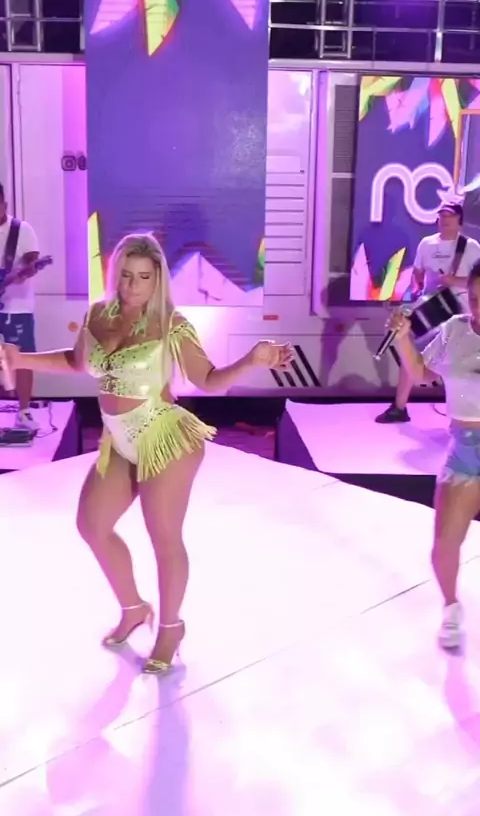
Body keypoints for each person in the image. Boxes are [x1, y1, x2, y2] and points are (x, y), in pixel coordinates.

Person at [0, 233, 293, 673]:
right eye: (125, 275)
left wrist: (252, 360)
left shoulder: (171, 324)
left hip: (164, 438)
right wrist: (21, 359)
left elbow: (209, 380)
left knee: (164, 538)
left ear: (158, 279)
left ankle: (171, 627)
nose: (132, 285)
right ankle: (134, 608)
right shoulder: (99, 314)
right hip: (118, 440)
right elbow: (77, 362)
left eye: (143, 277)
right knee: (92, 525)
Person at [386, 260, 480, 648]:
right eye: (475, 299)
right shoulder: (455, 329)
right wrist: (403, 339)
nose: (479, 308)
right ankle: (451, 608)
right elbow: (421, 372)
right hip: (465, 451)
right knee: (444, 544)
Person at [376, 202, 480, 424]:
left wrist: (454, 281)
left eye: (450, 216)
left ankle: (465, 413)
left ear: (459, 221)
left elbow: (475, 283)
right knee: (411, 352)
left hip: (459, 309)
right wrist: (416, 290)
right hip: (431, 308)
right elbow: (418, 274)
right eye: (442, 216)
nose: (445, 220)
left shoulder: (471, 247)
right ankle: (399, 407)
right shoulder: (426, 244)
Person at [0, 184, 40, 430]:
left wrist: (24, 271)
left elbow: (32, 261)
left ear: (4, 205)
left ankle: (24, 411)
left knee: (23, 358)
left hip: (18, 307)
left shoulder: (21, 230)